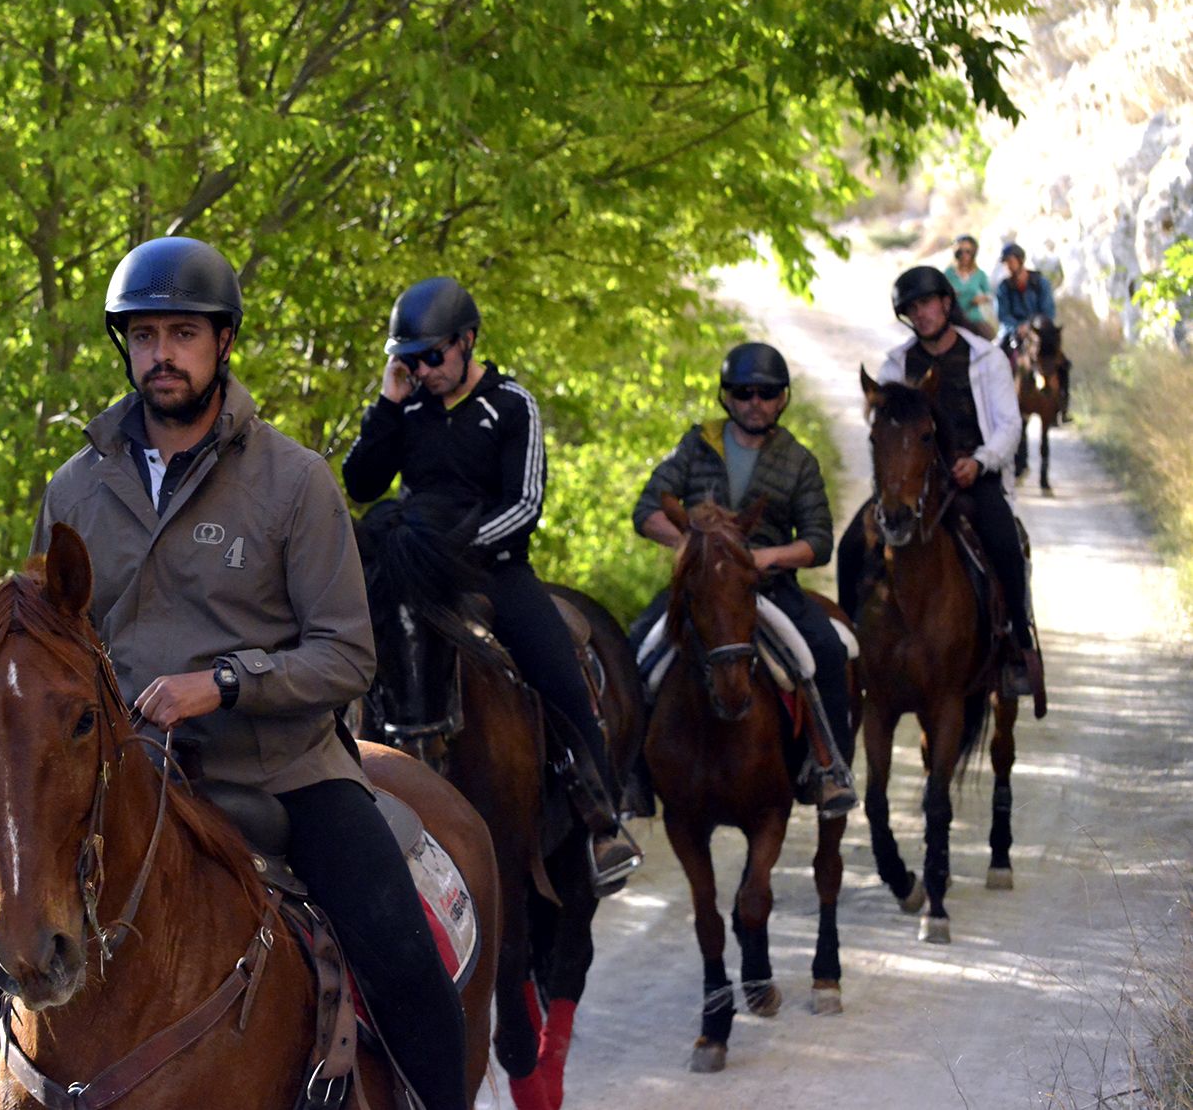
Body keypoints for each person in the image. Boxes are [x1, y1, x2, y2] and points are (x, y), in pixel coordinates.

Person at [0, 236, 468, 1110]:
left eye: (182, 333)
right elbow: (53, 646)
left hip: (281, 773)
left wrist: (226, 683)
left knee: (398, 951)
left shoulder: (295, 482)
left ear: (223, 343)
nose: (160, 354)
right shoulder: (75, 488)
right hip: (126, 772)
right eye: (142, 335)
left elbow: (348, 653)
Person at [341, 276, 643, 895]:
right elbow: (364, 483)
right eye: (410, 358)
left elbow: (525, 504)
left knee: (557, 667)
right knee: (340, 651)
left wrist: (452, 552)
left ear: (467, 341)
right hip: (410, 571)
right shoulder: (408, 405)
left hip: (492, 570)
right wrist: (387, 404)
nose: (423, 369)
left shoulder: (510, 404)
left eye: (432, 356)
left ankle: (600, 818)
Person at [630, 342, 857, 816]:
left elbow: (819, 540)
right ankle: (632, 775)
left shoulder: (798, 460)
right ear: (727, 397)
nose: (755, 402)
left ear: (782, 399)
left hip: (766, 585)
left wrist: (767, 556)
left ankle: (830, 768)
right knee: (635, 649)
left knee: (829, 653)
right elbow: (648, 509)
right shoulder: (695, 444)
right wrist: (692, 549)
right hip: (698, 587)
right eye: (744, 392)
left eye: (767, 393)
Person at [836, 265, 1046, 710]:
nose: (922, 313)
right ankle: (849, 650)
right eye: (912, 308)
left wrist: (980, 461)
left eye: (928, 303)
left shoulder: (984, 358)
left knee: (1005, 542)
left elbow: (1009, 425)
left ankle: (1016, 643)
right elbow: (883, 426)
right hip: (913, 482)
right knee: (851, 546)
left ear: (946, 304)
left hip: (973, 475)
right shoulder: (897, 364)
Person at [996, 241, 1070, 421]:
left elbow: (1049, 310)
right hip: (1014, 332)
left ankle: (1062, 406)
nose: (1008, 265)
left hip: (1040, 330)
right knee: (996, 359)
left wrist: (1033, 325)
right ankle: (998, 405)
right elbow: (1003, 315)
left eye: (1010, 261)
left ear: (1020, 261)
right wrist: (1017, 327)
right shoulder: (1003, 287)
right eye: (1005, 262)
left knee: (1062, 362)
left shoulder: (1040, 282)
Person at [945, 234, 996, 339]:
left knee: (989, 336)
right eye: (960, 252)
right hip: (955, 320)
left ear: (973, 253)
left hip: (974, 318)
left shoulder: (979, 274)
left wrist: (982, 298)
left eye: (968, 251)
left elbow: (990, 294)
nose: (964, 255)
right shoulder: (948, 273)